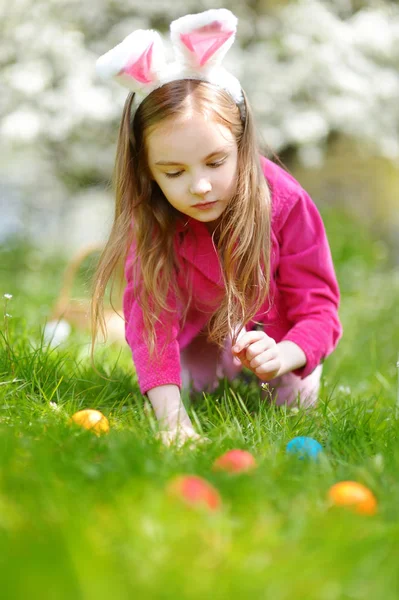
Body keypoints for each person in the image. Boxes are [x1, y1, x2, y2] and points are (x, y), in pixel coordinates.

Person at [92, 8, 342, 446]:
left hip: (279, 336)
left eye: (216, 161)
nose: (200, 186)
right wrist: (173, 423)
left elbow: (319, 305)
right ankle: (206, 374)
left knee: (293, 404)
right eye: (173, 172)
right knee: (196, 390)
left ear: (242, 144)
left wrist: (286, 353)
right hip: (200, 336)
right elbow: (152, 323)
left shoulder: (285, 202)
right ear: (147, 171)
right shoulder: (152, 218)